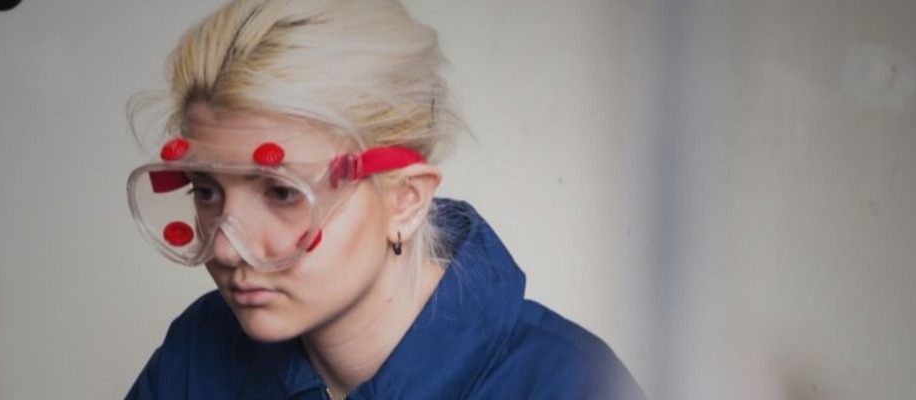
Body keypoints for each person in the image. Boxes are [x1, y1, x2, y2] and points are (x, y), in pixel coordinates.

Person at [121, 0, 644, 398]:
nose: (227, 249)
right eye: (207, 191)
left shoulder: (571, 383)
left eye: (282, 191)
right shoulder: (198, 352)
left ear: (406, 202)